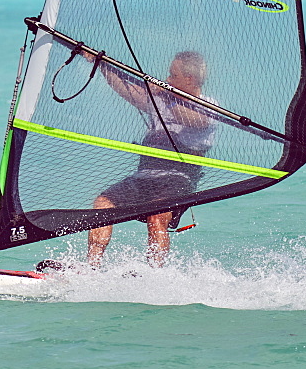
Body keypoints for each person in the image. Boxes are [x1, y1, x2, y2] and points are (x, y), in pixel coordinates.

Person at [87, 51, 216, 268]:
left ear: (189, 79)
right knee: (103, 204)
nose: (167, 80)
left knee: (156, 218)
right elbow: (128, 90)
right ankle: (91, 268)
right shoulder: (162, 99)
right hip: (144, 176)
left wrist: (167, 95)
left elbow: (193, 119)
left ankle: (155, 273)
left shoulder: (209, 106)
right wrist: (101, 64)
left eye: (172, 75)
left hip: (177, 179)